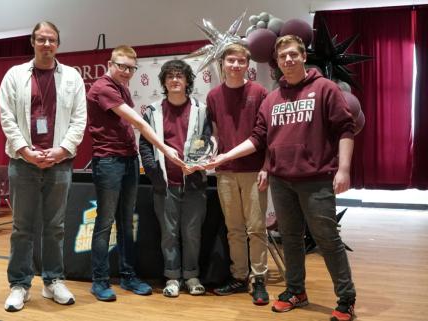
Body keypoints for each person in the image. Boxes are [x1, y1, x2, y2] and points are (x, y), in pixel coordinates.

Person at [206, 35, 357, 321]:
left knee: (327, 239)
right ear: (275, 61)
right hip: (281, 180)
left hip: (316, 179)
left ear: (303, 56)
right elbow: (257, 138)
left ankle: (346, 297)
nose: (287, 60)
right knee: (290, 239)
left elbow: (346, 128)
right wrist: (225, 157)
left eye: (292, 54)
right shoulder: (273, 98)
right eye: (282, 56)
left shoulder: (324, 88)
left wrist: (344, 169)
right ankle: (296, 291)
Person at [0, 21, 87, 312]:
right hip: (22, 162)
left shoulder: (72, 77)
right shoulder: (14, 75)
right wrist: (25, 151)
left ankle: (52, 281)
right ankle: (20, 285)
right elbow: (7, 118)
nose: (46, 44)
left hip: (59, 163)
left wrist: (61, 151)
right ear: (32, 42)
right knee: (22, 227)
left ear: (58, 44)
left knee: (55, 226)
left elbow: (79, 120)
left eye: (51, 40)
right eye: (41, 39)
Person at [87, 46, 185, 302]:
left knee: (125, 223)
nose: (127, 72)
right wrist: (165, 148)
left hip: (128, 160)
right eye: (122, 66)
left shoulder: (122, 87)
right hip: (108, 162)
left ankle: (128, 275)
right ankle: (99, 281)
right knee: (104, 223)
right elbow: (139, 123)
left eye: (131, 67)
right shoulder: (103, 87)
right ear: (110, 63)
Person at [139, 60, 210, 297]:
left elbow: (207, 140)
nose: (175, 80)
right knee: (169, 234)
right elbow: (145, 146)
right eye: (170, 76)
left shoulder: (201, 109)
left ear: (188, 81)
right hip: (165, 185)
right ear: (164, 82)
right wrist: (155, 175)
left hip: (194, 184)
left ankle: (191, 275)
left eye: (180, 76)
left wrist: (199, 165)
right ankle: (171, 277)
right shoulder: (152, 111)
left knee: (192, 233)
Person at [206, 43, 270, 305]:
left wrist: (266, 166)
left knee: (256, 228)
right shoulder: (213, 96)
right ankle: (239, 276)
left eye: (240, 61)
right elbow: (215, 132)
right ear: (222, 63)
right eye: (230, 60)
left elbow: (265, 137)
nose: (234, 65)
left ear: (247, 65)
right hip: (225, 173)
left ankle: (259, 280)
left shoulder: (260, 92)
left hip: (254, 171)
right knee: (234, 229)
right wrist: (209, 151)